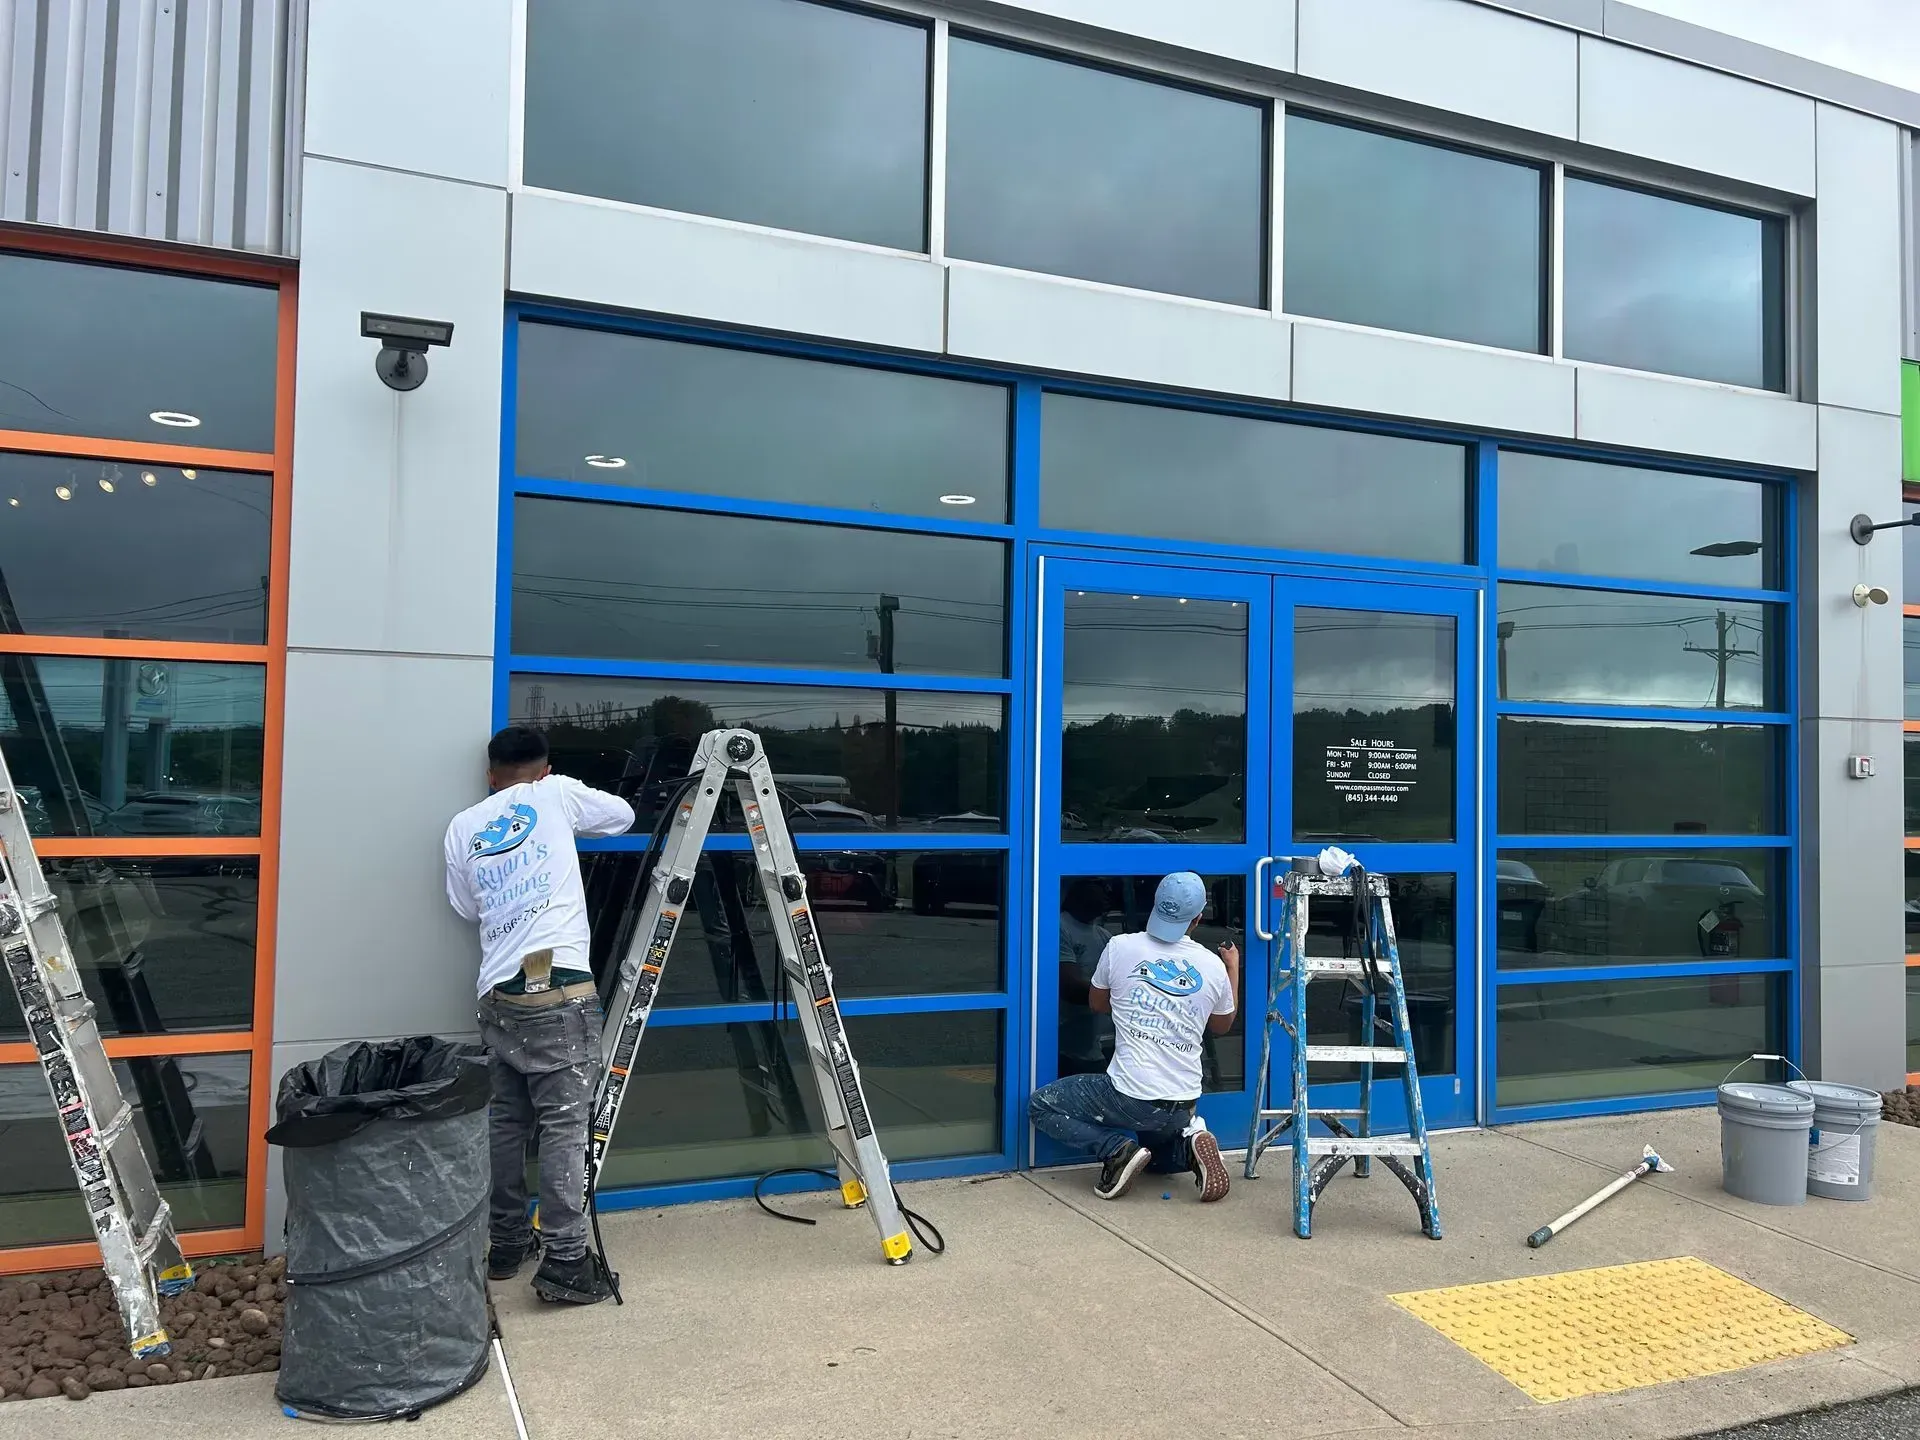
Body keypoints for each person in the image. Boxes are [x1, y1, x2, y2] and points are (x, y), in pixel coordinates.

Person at [443, 725, 635, 1305]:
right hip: (558, 990)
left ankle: (506, 1245)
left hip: (497, 994)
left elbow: (465, 907)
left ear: (490, 774)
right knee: (564, 1128)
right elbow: (622, 816)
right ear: (544, 769)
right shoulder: (555, 793)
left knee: (507, 1123)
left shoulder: (463, 825)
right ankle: (567, 1260)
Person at [1028, 872, 1238, 1203]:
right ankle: (1189, 1144)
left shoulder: (1120, 946)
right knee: (1159, 1162)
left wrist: (1138, 1000)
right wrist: (1232, 968)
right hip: (1182, 1101)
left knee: (1040, 1104)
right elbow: (1222, 1025)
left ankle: (1115, 1149)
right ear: (1198, 918)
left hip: (1129, 1096)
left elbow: (1097, 1004)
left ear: (1156, 906)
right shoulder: (1212, 965)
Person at [1056, 878, 1114, 1077]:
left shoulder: (1103, 935)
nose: (1105, 895)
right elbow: (1069, 987)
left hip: (1097, 1039)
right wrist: (1119, 995)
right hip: (1067, 1043)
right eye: (1097, 889)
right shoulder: (1060, 927)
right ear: (1078, 894)